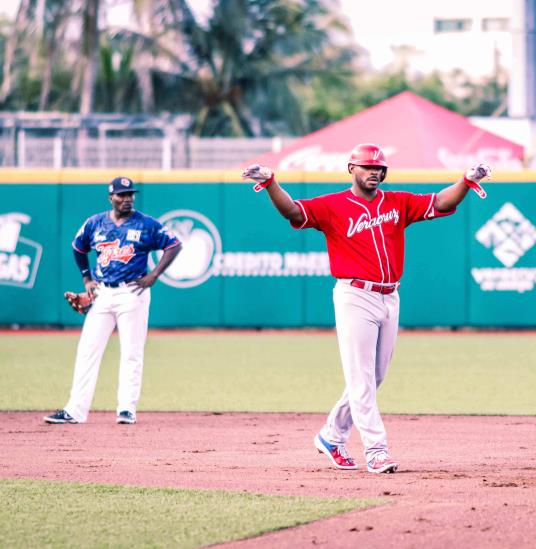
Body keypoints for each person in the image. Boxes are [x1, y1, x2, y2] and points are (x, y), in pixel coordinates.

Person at [242, 143, 491, 473]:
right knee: (361, 379)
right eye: (367, 167)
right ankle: (376, 450)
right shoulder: (333, 205)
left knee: (374, 377)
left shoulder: (398, 202)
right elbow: (294, 212)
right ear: (352, 169)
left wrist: (465, 181)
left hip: (390, 296)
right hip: (354, 295)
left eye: (379, 169)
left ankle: (332, 435)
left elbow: (441, 202)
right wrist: (271, 182)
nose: (374, 172)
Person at [44, 176, 182, 425]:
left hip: (133, 292)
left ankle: (126, 409)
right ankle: (75, 410)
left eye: (130, 194)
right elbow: (78, 247)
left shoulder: (146, 224)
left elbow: (173, 244)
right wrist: (87, 278)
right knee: (87, 350)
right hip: (102, 294)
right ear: (111, 198)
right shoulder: (95, 223)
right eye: (122, 194)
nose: (127, 198)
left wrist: (154, 274)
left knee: (132, 352)